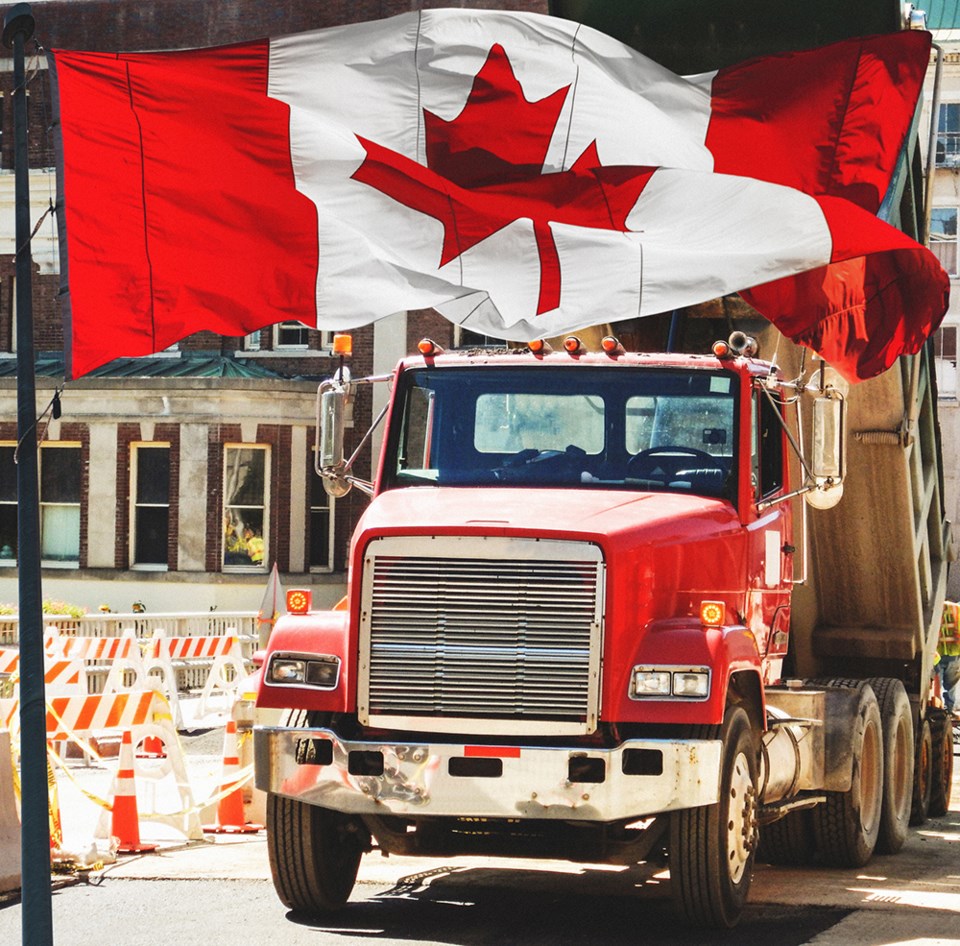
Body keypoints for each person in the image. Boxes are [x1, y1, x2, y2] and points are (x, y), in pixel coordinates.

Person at [936, 601, 960, 716]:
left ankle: (937, 710)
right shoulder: (957, 610)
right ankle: (949, 710)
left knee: (937, 684)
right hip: (953, 653)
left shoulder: (935, 609)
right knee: (951, 685)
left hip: (937, 653)